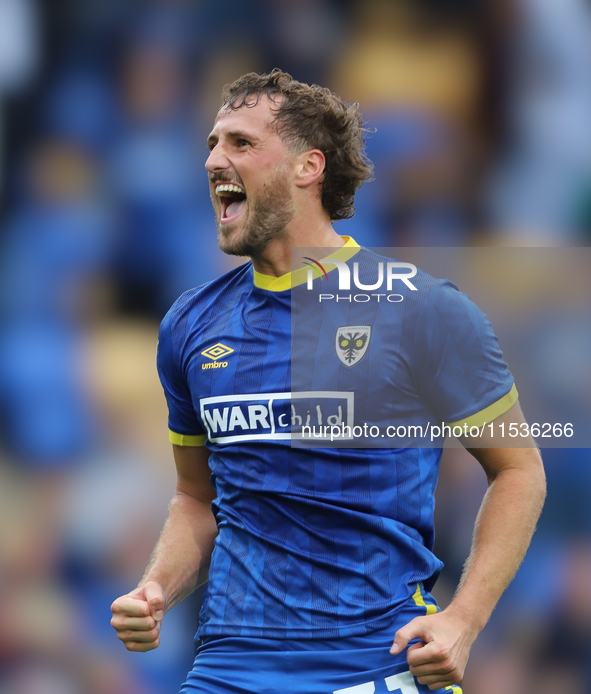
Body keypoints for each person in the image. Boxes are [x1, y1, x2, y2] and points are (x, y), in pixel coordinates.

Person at [110, 70, 546, 694]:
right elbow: (196, 499)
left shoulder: (421, 309)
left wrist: (464, 620)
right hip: (231, 661)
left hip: (376, 657)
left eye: (239, 143)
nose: (212, 160)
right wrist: (158, 586)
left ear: (307, 166)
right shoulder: (191, 324)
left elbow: (519, 470)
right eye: (211, 143)